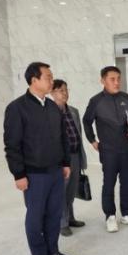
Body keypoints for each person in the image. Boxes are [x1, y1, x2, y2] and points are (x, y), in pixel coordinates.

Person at [4, 62, 73, 255]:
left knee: (54, 214)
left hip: (55, 171)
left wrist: (66, 163)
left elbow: (63, 138)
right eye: (48, 77)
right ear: (34, 80)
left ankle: (53, 251)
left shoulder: (52, 107)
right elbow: (12, 145)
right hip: (34, 175)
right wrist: (19, 174)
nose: (52, 80)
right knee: (35, 218)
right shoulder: (17, 108)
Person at [83, 66, 128, 233]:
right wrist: (92, 140)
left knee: (127, 182)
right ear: (103, 80)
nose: (117, 82)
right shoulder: (96, 101)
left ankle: (126, 213)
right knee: (109, 183)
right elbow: (87, 121)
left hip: (127, 149)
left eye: (118, 79)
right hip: (108, 150)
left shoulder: (126, 98)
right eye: (112, 79)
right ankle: (110, 216)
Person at [50, 79, 87, 237]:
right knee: (62, 192)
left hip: (75, 155)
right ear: (52, 93)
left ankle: (70, 218)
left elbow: (79, 135)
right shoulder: (49, 112)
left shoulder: (74, 111)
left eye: (66, 90)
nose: (64, 93)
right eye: (60, 90)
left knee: (72, 189)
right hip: (61, 160)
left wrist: (82, 158)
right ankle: (62, 223)